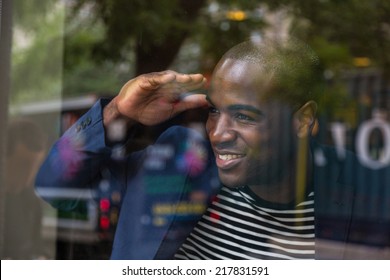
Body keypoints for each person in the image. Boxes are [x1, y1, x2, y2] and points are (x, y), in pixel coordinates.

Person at [35, 38, 389, 260]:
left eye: (245, 117)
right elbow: (55, 187)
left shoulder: (369, 194)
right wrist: (118, 114)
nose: (218, 133)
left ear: (302, 120)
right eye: (215, 111)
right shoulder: (180, 162)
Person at [4, 118, 48, 259]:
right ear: (4, 158)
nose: (29, 174)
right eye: (23, 164)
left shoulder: (31, 203)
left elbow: (37, 247)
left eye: (35, 166)